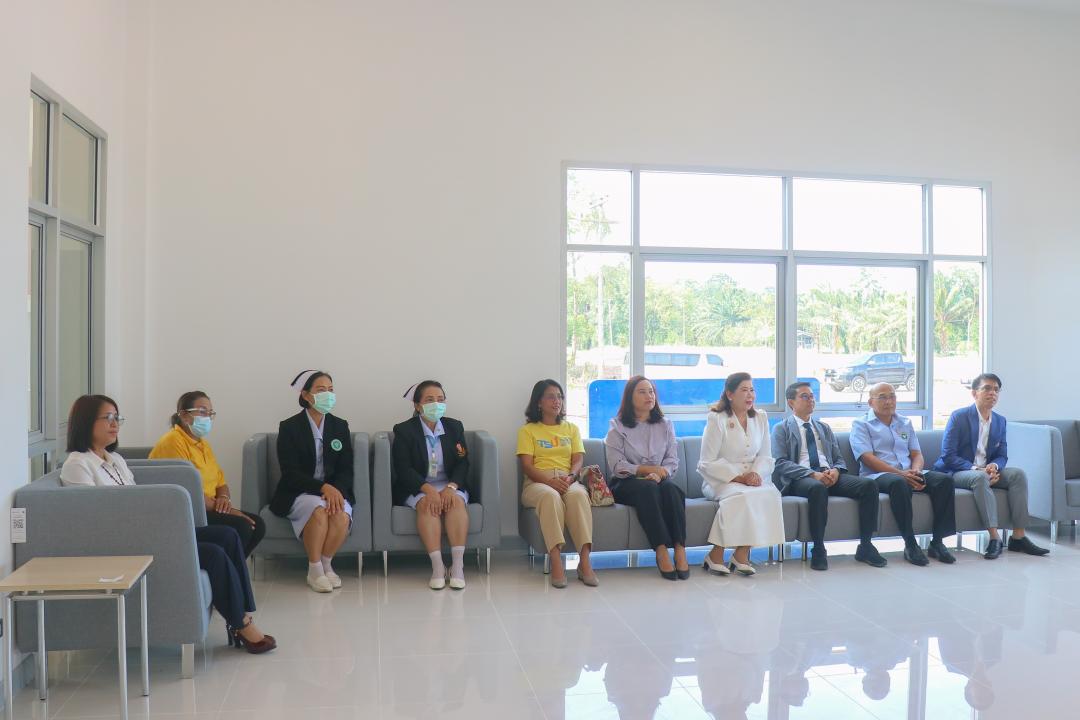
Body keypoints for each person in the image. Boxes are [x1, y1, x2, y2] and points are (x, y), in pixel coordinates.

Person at [60, 394, 275, 653]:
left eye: (117, 417)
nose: (115, 424)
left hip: (146, 532)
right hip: (123, 544)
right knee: (214, 554)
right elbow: (93, 520)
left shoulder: (115, 460)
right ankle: (241, 624)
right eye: (108, 418)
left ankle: (242, 614)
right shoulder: (78, 465)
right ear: (85, 421)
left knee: (228, 536)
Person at [771, 382, 886, 571]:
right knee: (817, 488)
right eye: (805, 396)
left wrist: (836, 471)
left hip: (828, 474)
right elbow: (780, 463)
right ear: (791, 402)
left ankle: (866, 546)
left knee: (868, 486)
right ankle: (818, 549)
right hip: (801, 479)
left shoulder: (823, 428)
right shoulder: (781, 429)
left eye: (812, 396)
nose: (811, 400)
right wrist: (812, 474)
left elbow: (839, 458)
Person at [934, 373, 1048, 558]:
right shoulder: (959, 416)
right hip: (958, 471)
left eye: (996, 390)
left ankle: (1018, 537)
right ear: (974, 393)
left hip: (986, 471)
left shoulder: (1000, 421)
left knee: (1018, 474)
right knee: (980, 478)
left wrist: (994, 466)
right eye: (987, 388)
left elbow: (1002, 455)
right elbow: (948, 456)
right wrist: (979, 470)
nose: (992, 393)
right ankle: (995, 538)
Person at [850, 382, 956, 567]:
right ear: (870, 402)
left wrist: (916, 471)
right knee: (899, 483)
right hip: (878, 475)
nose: (889, 401)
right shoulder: (861, 424)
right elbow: (867, 458)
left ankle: (937, 542)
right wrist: (901, 474)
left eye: (892, 396)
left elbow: (916, 454)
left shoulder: (904, 422)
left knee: (944, 481)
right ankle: (910, 543)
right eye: (882, 397)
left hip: (908, 471)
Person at [149, 390, 266, 557]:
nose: (208, 417)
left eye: (210, 413)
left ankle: (231, 568)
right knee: (242, 526)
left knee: (258, 525)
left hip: (210, 507)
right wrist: (228, 511)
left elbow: (221, 482)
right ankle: (226, 569)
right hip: (189, 509)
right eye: (203, 412)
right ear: (184, 415)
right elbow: (186, 490)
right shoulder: (173, 441)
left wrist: (224, 499)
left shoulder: (203, 444)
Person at [270, 370, 355, 593]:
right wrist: (323, 488)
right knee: (318, 511)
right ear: (306, 395)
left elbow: (346, 468)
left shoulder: (340, 426)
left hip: (333, 490)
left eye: (331, 390)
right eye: (321, 389)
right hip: (299, 491)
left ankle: (326, 565)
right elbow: (290, 472)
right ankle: (314, 570)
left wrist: (335, 490)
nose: (328, 394)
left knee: (341, 515)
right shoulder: (289, 427)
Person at [697, 372, 785, 576]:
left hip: (752, 478)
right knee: (742, 497)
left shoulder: (760, 417)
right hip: (720, 480)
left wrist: (756, 474)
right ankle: (716, 555)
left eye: (752, 390)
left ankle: (741, 554)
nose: (750, 395)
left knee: (770, 494)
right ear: (730, 394)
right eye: (744, 390)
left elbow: (766, 455)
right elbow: (706, 462)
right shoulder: (717, 418)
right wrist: (739, 477)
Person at [604, 376, 688, 580]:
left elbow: (672, 460)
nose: (649, 396)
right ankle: (660, 550)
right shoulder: (617, 426)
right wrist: (646, 470)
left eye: (651, 391)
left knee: (672, 490)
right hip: (626, 482)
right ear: (630, 397)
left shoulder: (665, 425)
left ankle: (680, 549)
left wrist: (661, 473)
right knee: (647, 488)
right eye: (642, 392)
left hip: (659, 479)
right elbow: (617, 466)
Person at [392, 380, 472, 590]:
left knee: (455, 503)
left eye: (440, 399)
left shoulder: (454, 427)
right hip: (418, 485)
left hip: (449, 484)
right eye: (429, 400)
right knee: (427, 506)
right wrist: (428, 490)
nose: (436, 404)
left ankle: (457, 566)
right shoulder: (404, 430)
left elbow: (463, 462)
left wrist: (451, 487)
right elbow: (403, 469)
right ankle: (438, 567)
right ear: (417, 405)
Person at [517, 379, 597, 588]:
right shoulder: (528, 430)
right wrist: (549, 482)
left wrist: (570, 477)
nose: (557, 401)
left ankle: (584, 562)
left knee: (579, 495)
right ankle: (555, 560)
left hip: (567, 479)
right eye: (551, 397)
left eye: (560, 397)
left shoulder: (571, 429)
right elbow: (527, 466)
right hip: (537, 482)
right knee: (550, 496)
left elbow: (578, 459)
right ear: (539, 402)